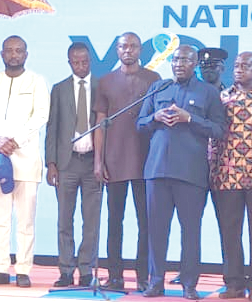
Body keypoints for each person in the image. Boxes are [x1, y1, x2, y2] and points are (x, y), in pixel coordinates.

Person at [137, 45, 226, 299]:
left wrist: (190, 118)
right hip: (157, 171)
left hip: (191, 173)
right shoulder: (159, 88)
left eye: (185, 60)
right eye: (175, 60)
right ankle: (156, 282)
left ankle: (189, 284)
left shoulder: (208, 92)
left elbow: (219, 130)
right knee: (156, 231)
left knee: (190, 231)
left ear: (195, 63)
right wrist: (155, 116)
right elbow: (140, 123)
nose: (178, 64)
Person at [93, 32, 160, 291]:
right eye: (123, 46)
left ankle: (144, 275)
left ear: (140, 50)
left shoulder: (154, 79)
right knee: (114, 221)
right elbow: (100, 123)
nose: (128, 50)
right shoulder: (106, 81)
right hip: (114, 160)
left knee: (146, 222)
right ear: (117, 50)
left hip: (146, 162)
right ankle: (115, 276)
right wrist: (99, 161)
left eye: (132, 46)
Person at [209, 51, 252, 302]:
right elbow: (213, 137)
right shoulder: (222, 97)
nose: (239, 69)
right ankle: (233, 283)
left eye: (246, 65)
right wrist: (212, 168)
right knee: (230, 231)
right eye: (236, 65)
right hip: (228, 173)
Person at [169, 46, 229, 286]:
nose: (208, 71)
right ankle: (187, 271)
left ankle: (231, 274)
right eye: (204, 67)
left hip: (224, 169)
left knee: (227, 224)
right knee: (191, 224)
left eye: (212, 67)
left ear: (222, 68)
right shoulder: (190, 92)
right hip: (193, 168)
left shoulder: (230, 95)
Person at [45, 42, 101, 288]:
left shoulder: (102, 87)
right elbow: (52, 128)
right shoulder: (59, 89)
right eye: (76, 62)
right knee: (64, 220)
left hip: (92, 163)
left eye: (85, 62)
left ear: (90, 61)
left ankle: (87, 269)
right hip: (66, 164)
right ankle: (66, 269)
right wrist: (51, 163)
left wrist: (103, 161)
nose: (81, 66)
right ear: (69, 63)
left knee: (91, 221)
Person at [0, 35, 49, 287]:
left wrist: (14, 141)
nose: (14, 55)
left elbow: (40, 116)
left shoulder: (36, 81)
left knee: (26, 219)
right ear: (2, 54)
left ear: (26, 55)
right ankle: (0, 267)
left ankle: (23, 269)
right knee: (0, 219)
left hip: (27, 159)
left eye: (19, 50)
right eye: (9, 50)